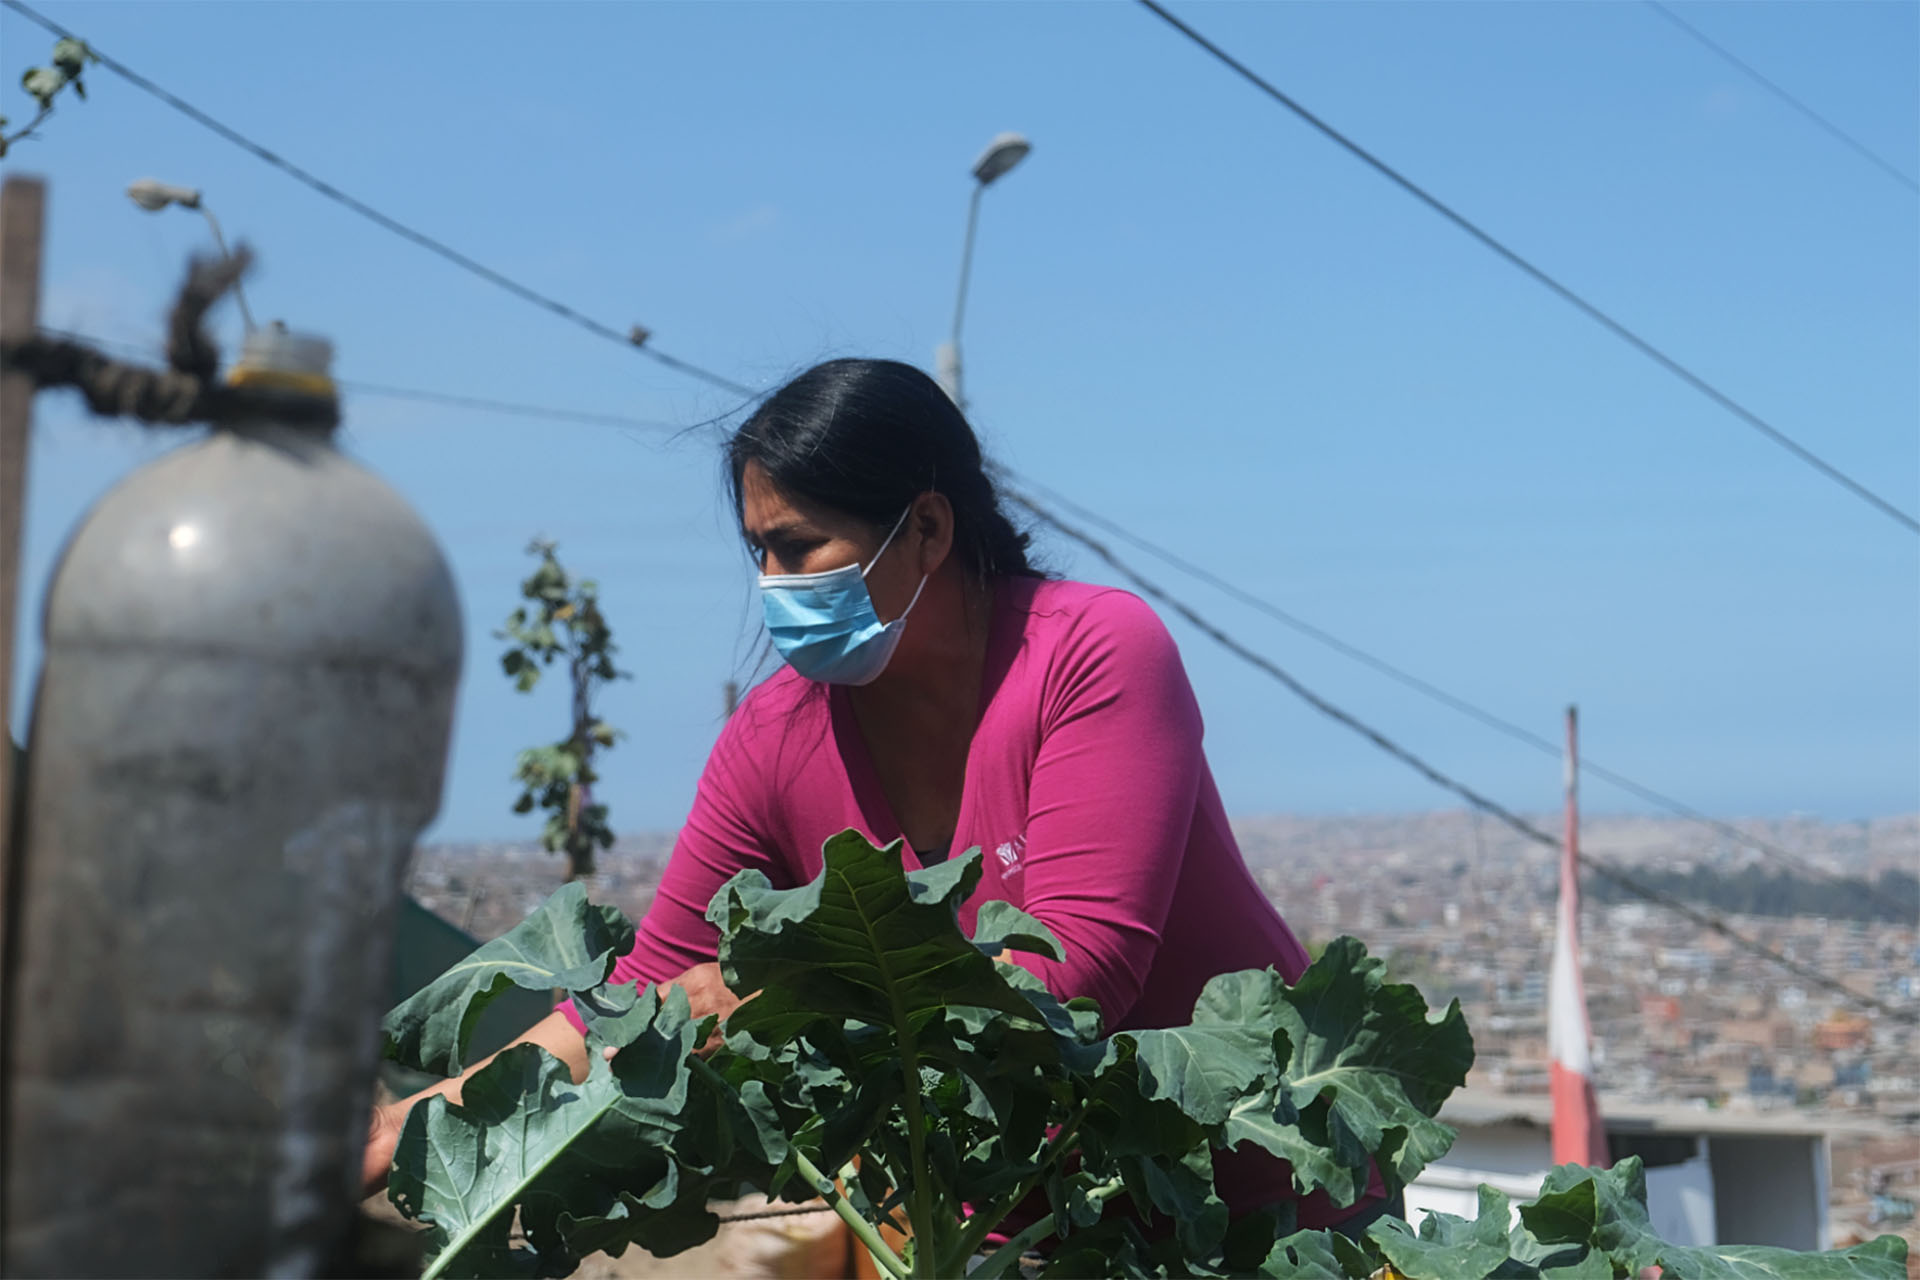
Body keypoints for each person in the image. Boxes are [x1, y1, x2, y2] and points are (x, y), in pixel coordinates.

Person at [363, 357, 1393, 1238]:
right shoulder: (772, 738)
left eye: (799, 546)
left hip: (1269, 1216)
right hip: (1028, 1236)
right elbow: (646, 990)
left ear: (929, 528)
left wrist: (765, 994)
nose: (772, 583)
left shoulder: (1092, 653)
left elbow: (1077, 974)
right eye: (756, 550)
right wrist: (419, 1121)